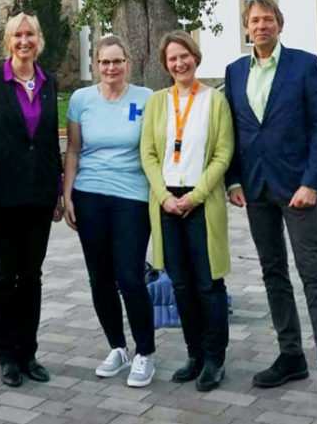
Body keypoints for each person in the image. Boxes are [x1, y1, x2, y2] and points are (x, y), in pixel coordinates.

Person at [223, 0, 317, 412]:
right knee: (273, 273)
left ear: (279, 24)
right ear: (246, 28)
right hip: (257, 190)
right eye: (254, 20)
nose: (261, 26)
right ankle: (291, 355)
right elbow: (233, 131)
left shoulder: (303, 65)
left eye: (268, 19)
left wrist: (313, 182)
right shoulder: (235, 71)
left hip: (298, 189)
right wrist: (233, 180)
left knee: (313, 275)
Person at [0, 12, 64, 388]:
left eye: (30, 34)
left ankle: (28, 353)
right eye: (17, 35)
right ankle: (7, 356)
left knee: (32, 276)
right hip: (2, 197)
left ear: (39, 40)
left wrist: (58, 190)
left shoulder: (49, 82)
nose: (24, 41)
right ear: (8, 41)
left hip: (39, 196)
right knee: (5, 276)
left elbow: (48, 141)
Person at [140, 30, 234, 392]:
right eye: (172, 59)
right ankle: (194, 355)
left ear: (195, 57)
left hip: (201, 201)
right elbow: (148, 154)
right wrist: (164, 195)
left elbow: (223, 153)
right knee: (180, 284)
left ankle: (214, 358)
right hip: (166, 202)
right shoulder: (157, 102)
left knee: (208, 283)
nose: (180, 63)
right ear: (165, 65)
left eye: (184, 56)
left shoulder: (215, 101)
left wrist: (196, 195)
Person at [62, 35, 156, 387]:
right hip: (89, 195)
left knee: (130, 276)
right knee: (99, 278)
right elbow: (74, 150)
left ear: (127, 63)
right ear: (96, 64)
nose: (111, 68)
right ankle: (118, 347)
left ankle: (145, 351)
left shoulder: (146, 98)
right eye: (104, 62)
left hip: (132, 197)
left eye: (117, 61)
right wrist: (67, 194)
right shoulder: (81, 100)